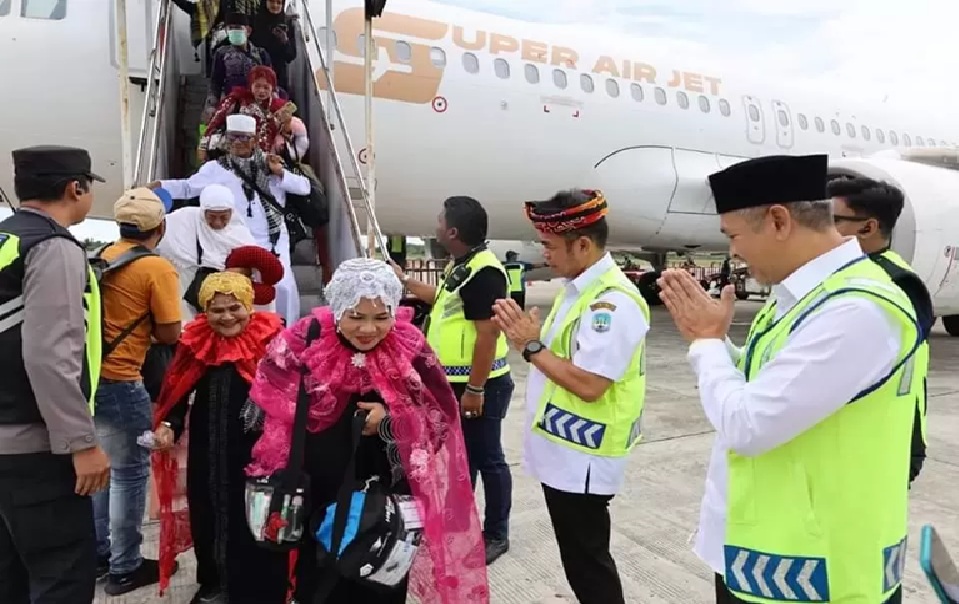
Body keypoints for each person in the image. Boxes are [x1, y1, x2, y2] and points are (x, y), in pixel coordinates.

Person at [658, 155, 921, 604]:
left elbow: (749, 425)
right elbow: (765, 380)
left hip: (819, 576)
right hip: (766, 558)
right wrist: (716, 341)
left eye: (734, 236)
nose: (733, 253)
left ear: (779, 220)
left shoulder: (855, 309)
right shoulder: (802, 296)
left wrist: (706, 345)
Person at [246, 258, 489, 603]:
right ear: (337, 309)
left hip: (385, 491)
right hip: (321, 485)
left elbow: (440, 418)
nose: (369, 329)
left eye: (381, 317)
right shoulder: (303, 340)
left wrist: (391, 418)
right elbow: (265, 400)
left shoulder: (410, 345)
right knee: (321, 575)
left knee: (381, 578)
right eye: (356, 317)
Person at [492, 189, 648, 604]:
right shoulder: (576, 291)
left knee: (588, 563)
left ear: (583, 244)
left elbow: (590, 384)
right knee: (580, 559)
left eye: (549, 245)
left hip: (584, 458)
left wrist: (531, 347)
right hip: (567, 451)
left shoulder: (610, 303)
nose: (544, 254)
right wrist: (533, 339)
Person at [0, 146, 111, 604]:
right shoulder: (53, 247)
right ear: (75, 188)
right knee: (61, 575)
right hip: (37, 448)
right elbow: (50, 355)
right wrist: (81, 444)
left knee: (11, 578)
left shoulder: (7, 240)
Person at [151, 269, 289, 603]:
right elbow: (177, 389)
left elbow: (293, 392)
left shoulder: (272, 338)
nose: (227, 317)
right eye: (217, 310)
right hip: (207, 447)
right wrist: (169, 424)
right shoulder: (196, 340)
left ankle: (254, 587)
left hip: (256, 450)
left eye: (234, 308)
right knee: (208, 511)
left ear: (249, 305)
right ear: (204, 311)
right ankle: (214, 582)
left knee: (253, 515)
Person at [394, 196, 514, 565]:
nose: (435, 225)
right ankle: (460, 522)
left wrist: (475, 390)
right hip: (454, 384)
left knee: (488, 459)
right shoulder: (463, 265)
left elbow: (487, 336)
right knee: (463, 460)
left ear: (452, 231)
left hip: (481, 385)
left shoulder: (485, 273)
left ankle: (496, 534)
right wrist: (405, 280)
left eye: (439, 220)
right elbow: (443, 301)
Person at [92, 188, 184, 595]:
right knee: (130, 475)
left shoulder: (102, 257)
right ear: (159, 228)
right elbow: (169, 332)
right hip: (124, 378)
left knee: (103, 471)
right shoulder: (156, 269)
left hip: (91, 378)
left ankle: (98, 554)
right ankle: (125, 566)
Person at [151, 113, 311, 325]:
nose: (238, 142)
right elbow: (188, 187)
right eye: (233, 137)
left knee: (283, 286)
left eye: (244, 138)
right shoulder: (215, 168)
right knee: (240, 289)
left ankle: (286, 334)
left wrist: (280, 173)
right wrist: (160, 186)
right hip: (236, 239)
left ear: (254, 140)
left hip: (273, 239)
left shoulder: (270, 162)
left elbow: (304, 187)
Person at [829, 176, 933, 484]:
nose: (819, 228)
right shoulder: (850, 273)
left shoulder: (896, 283)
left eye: (833, 220)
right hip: (847, 441)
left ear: (868, 227)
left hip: (884, 444)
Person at [157, 183, 256, 321]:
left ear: (231, 213)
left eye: (223, 217)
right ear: (203, 212)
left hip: (226, 300)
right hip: (184, 289)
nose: (217, 223)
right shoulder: (183, 220)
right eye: (212, 216)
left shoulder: (239, 232)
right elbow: (158, 237)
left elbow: (255, 266)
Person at [200, 65, 289, 162]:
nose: (261, 91)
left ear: (273, 88)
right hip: (234, 154)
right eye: (257, 86)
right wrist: (203, 146)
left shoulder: (280, 107)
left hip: (265, 159)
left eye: (266, 87)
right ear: (251, 84)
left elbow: (287, 134)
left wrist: (287, 122)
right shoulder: (237, 98)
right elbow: (215, 121)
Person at [208, 13, 272, 109]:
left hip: (256, 104)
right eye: (230, 28)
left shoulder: (261, 54)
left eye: (238, 28)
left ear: (248, 31)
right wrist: (211, 105)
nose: (234, 31)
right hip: (230, 104)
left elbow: (270, 81)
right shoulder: (221, 53)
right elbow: (215, 83)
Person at [251, 0, 297, 93]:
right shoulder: (255, 21)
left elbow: (291, 56)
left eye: (279, 2)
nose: (275, 5)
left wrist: (284, 41)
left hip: (278, 75)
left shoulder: (286, 23)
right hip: (258, 73)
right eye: (272, 1)